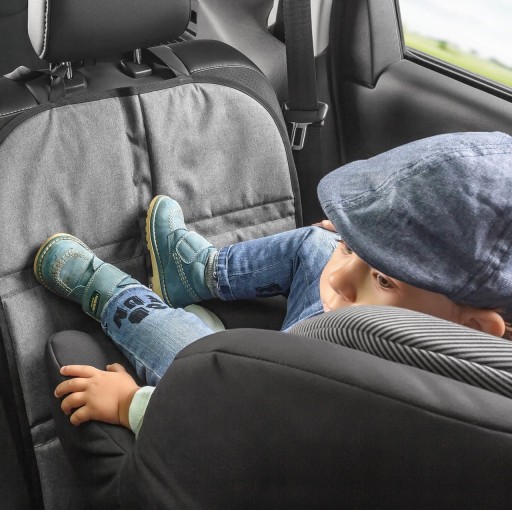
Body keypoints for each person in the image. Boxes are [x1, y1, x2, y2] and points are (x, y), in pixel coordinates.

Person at [34, 131, 512, 435]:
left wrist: (130, 406)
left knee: (192, 350)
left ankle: (112, 294)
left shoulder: (373, 400)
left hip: (255, 385)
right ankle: (197, 271)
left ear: (473, 329)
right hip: (323, 334)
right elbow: (349, 269)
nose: (339, 279)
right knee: (318, 243)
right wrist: (350, 245)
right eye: (352, 250)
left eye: (384, 279)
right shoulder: (378, 307)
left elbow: (231, 423)